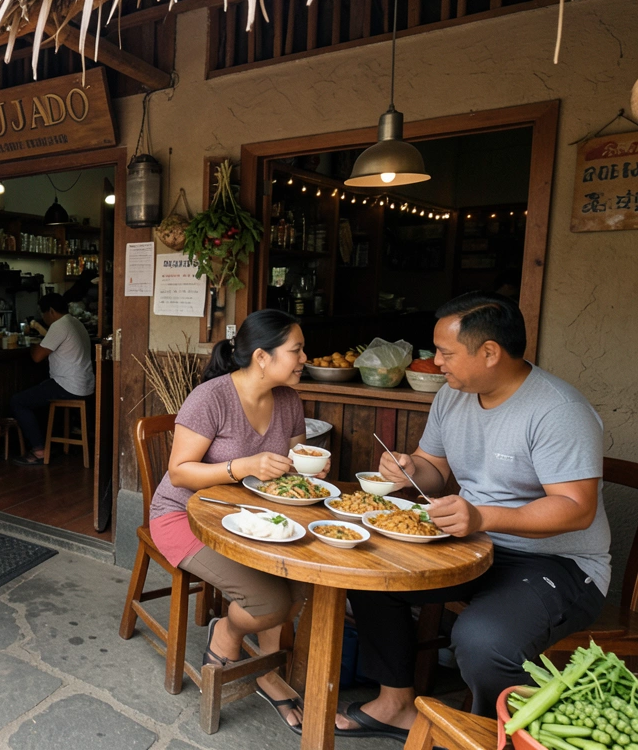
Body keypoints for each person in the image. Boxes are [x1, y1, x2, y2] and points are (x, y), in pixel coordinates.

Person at [337, 292, 607, 738]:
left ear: (489, 352)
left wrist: (482, 518)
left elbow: (577, 509)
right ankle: (395, 704)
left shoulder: (559, 410)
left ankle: (493, 739)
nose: (436, 362)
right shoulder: (454, 396)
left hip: (559, 565)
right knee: (373, 574)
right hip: (474, 543)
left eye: (445, 353)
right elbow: (435, 469)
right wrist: (408, 469)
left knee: (485, 641)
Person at [147, 309, 315, 733]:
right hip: (182, 516)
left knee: (300, 584)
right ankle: (226, 634)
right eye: (296, 350)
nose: (303, 358)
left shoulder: (289, 400)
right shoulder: (212, 398)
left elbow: (293, 465)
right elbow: (180, 471)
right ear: (262, 356)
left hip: (249, 519)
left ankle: (266, 670)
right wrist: (243, 466)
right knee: (271, 601)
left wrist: (308, 471)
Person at [9, 293, 95, 465]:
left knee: (18, 401)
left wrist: (33, 344)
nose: (44, 318)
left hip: (69, 385)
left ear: (52, 311)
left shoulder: (59, 325)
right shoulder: (75, 322)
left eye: (43, 314)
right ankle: (48, 442)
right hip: (85, 385)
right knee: (40, 393)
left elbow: (37, 357)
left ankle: (39, 451)